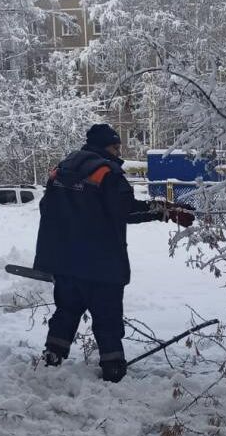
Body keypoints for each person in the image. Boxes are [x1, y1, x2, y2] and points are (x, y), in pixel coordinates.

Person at [33, 124, 195, 382]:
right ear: (103, 146)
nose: (119, 150)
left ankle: (52, 356)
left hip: (64, 261)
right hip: (100, 263)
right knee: (107, 317)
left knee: (66, 310)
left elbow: (47, 209)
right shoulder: (106, 172)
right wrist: (165, 210)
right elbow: (126, 210)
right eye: (115, 146)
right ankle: (113, 369)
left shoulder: (63, 168)